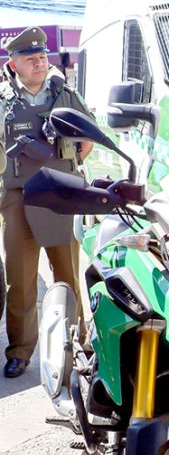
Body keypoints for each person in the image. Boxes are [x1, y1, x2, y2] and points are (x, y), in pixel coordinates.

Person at [0, 26, 93, 379]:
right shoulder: (3, 100)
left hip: (60, 194)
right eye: (30, 58)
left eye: (42, 56)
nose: (39, 62)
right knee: (20, 280)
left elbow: (87, 140)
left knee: (67, 274)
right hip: (18, 198)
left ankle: (77, 343)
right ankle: (20, 352)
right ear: (14, 64)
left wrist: (67, 164)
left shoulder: (65, 95)